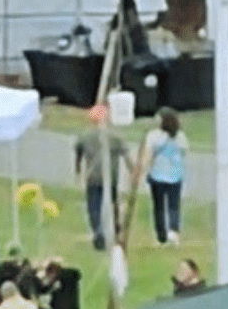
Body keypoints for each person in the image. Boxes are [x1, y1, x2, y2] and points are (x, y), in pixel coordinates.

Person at [73, 107, 129, 250]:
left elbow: (78, 154)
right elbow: (126, 154)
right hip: (111, 176)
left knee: (94, 205)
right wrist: (133, 170)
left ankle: (98, 231)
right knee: (113, 203)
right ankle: (115, 228)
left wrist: (78, 171)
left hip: (93, 177)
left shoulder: (85, 136)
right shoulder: (115, 136)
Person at [140, 108, 187, 246]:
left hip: (157, 175)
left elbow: (148, 155)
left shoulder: (153, 136)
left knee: (159, 206)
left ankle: (161, 235)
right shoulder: (180, 137)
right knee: (174, 204)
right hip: (175, 175)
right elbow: (183, 152)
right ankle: (174, 230)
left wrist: (142, 170)